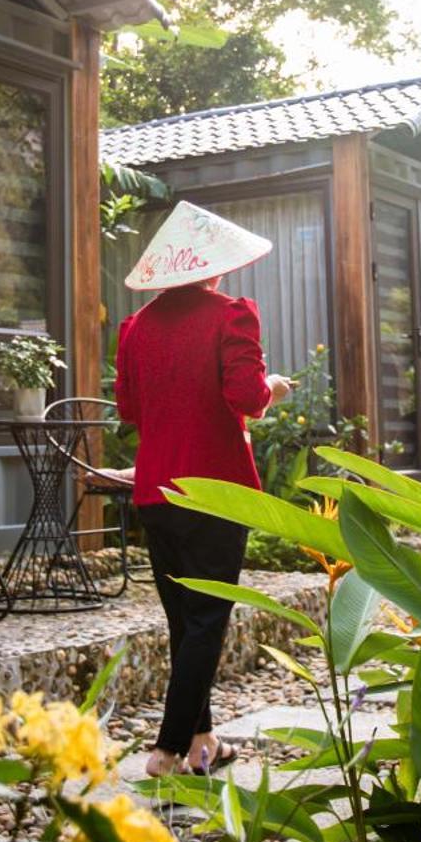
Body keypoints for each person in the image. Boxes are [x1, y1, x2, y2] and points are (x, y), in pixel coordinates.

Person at [114, 201, 293, 777]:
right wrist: (274, 388)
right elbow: (246, 397)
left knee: (183, 621)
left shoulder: (136, 328)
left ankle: (203, 742)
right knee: (208, 619)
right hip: (215, 490)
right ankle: (166, 749)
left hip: (154, 491)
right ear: (214, 268)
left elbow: (129, 408)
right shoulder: (231, 315)